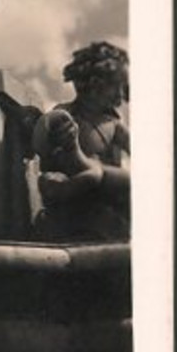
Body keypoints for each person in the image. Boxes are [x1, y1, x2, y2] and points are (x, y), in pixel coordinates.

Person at [32, 42, 130, 241]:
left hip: (103, 196)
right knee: (60, 179)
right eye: (117, 86)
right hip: (72, 190)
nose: (122, 95)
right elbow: (46, 150)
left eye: (124, 88)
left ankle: (91, 171)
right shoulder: (66, 114)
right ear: (94, 84)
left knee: (106, 177)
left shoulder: (113, 125)